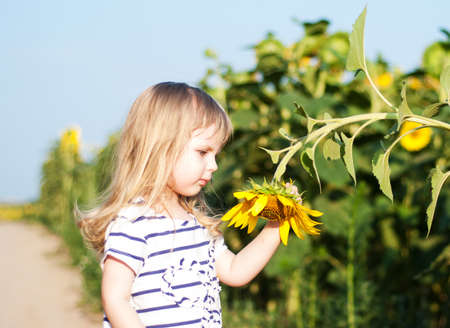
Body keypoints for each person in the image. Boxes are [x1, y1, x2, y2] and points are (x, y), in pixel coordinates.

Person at [78, 82, 281, 328]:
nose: (214, 165)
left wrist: (276, 225)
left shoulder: (196, 224)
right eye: (203, 152)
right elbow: (115, 299)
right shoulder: (133, 224)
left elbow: (235, 270)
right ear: (161, 148)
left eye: (215, 154)